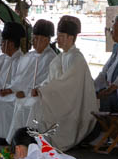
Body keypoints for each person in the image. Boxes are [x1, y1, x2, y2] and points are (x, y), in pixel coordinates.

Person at [8, 16, 97, 151]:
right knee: (31, 103)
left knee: (38, 105)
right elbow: (51, 79)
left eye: (62, 36)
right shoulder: (61, 57)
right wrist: (39, 88)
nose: (58, 40)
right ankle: (24, 142)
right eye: (58, 36)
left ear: (71, 38)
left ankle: (33, 143)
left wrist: (44, 91)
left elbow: (67, 84)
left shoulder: (77, 58)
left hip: (72, 103)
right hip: (59, 98)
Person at [0, 19, 56, 144]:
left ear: (46, 40)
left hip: (39, 95)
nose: (33, 42)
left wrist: (27, 92)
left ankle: (30, 140)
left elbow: (47, 80)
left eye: (37, 39)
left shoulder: (51, 58)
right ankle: (4, 137)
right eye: (33, 38)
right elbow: (20, 78)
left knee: (29, 104)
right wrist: (11, 89)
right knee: (2, 101)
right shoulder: (29, 56)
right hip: (22, 92)